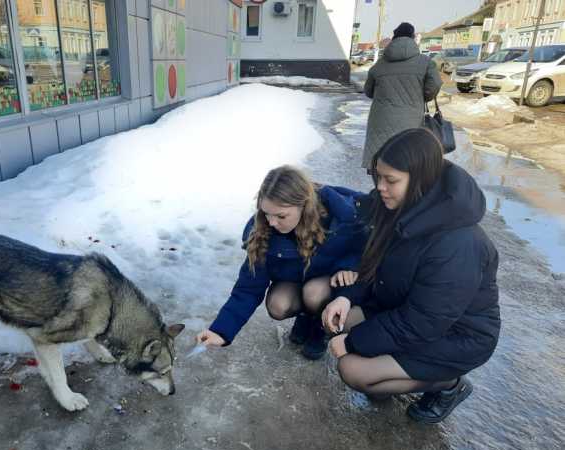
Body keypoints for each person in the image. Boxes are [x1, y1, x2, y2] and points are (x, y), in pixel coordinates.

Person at [322, 128, 500, 424]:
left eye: (390, 180)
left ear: (420, 179)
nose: (380, 187)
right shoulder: (399, 204)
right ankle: (388, 377)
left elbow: (423, 322)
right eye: (378, 177)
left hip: (457, 335)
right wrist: (346, 297)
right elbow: (372, 264)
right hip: (403, 306)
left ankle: (449, 384)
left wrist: (353, 343)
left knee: (353, 369)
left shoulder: (458, 243)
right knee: (337, 318)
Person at [197, 165, 367, 359]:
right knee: (278, 304)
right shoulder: (261, 231)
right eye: (266, 213)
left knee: (314, 293)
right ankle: (305, 316)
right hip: (294, 282)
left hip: (326, 285)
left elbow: (365, 246)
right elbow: (248, 288)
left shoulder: (341, 216)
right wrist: (220, 331)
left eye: (281, 216)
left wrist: (350, 267)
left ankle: (320, 327)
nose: (271, 222)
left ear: (304, 205)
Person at [362, 22, 443, 171]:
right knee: (407, 165)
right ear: (413, 38)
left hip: (381, 120)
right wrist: (422, 97)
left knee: (380, 164)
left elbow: (368, 91)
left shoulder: (379, 65)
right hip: (412, 119)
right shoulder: (425, 63)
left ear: (394, 38)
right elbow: (435, 85)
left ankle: (380, 184)